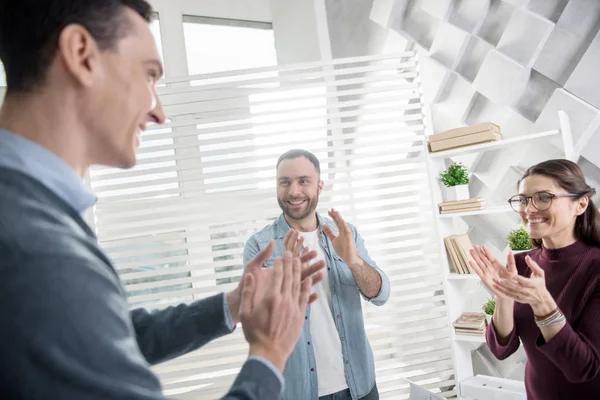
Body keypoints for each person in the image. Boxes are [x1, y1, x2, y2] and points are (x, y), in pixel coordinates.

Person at [0, 1, 325, 399]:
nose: (159, 112)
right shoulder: (37, 250)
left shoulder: (28, 213)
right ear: (82, 55)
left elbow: (103, 336)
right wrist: (270, 353)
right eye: (149, 75)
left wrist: (234, 303)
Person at [243, 149, 391, 400]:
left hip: (360, 385)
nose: (293, 191)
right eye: (285, 182)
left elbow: (380, 294)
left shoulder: (345, 234)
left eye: (303, 181)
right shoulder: (259, 246)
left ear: (319, 186)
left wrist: (353, 261)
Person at [468, 159, 600, 399]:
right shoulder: (519, 264)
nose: (529, 209)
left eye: (543, 197)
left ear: (580, 204)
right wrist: (502, 294)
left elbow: (584, 368)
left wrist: (543, 305)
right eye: (523, 199)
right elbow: (500, 350)